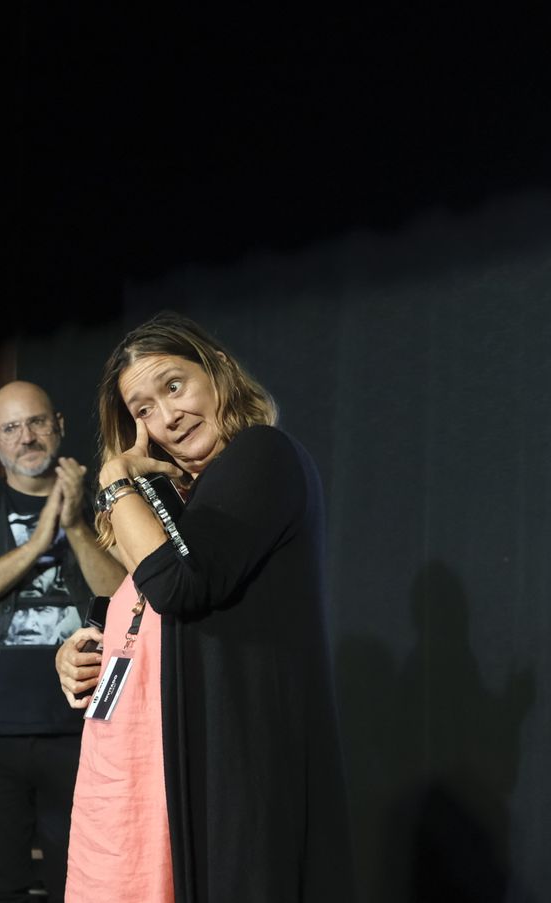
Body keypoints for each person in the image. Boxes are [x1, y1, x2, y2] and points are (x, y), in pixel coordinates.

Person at [55, 312, 354, 902]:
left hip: (235, 769)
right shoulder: (186, 497)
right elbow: (149, 601)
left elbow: (180, 586)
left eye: (174, 386)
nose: (168, 416)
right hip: (156, 774)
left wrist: (116, 478)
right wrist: (90, 645)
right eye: (143, 410)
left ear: (216, 372)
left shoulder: (261, 454)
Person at [0, 380, 125, 902]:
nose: (26, 437)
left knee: (84, 883)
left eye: (36, 422)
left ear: (58, 425)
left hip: (83, 727)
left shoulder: (106, 504)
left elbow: (127, 600)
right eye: (11, 428)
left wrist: (75, 526)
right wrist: (39, 541)